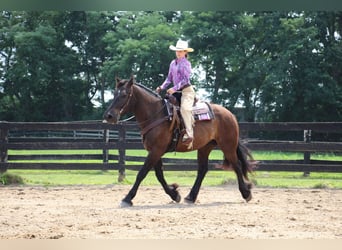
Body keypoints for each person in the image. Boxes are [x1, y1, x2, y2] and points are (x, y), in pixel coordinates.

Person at [156, 40, 196, 147]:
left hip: (186, 91)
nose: (178, 53)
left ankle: (189, 134)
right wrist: (162, 87)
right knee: (163, 108)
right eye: (177, 51)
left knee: (185, 109)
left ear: (185, 52)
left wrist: (174, 88)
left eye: (181, 51)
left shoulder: (186, 64)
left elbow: (185, 80)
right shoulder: (172, 63)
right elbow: (168, 78)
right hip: (175, 92)